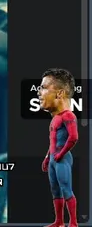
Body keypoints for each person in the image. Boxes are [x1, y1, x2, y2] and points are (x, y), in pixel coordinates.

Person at [39, 68, 79, 227]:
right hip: (54, 158)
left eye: (43, 87)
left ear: (60, 93)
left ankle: (73, 223)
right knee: (55, 191)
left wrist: (61, 154)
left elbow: (73, 138)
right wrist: (47, 157)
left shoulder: (68, 116)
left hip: (61, 159)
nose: (39, 92)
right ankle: (59, 221)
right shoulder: (56, 118)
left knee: (66, 189)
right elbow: (53, 142)